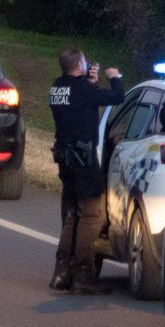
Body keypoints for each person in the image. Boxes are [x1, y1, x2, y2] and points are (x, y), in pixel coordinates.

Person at [47, 47, 124, 294]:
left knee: (72, 215)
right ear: (79, 66)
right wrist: (114, 77)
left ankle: (61, 272)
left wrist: (89, 82)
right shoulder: (83, 90)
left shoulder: (57, 87)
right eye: (84, 62)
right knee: (90, 215)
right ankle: (83, 274)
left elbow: (78, 103)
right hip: (83, 161)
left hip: (66, 161)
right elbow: (116, 97)